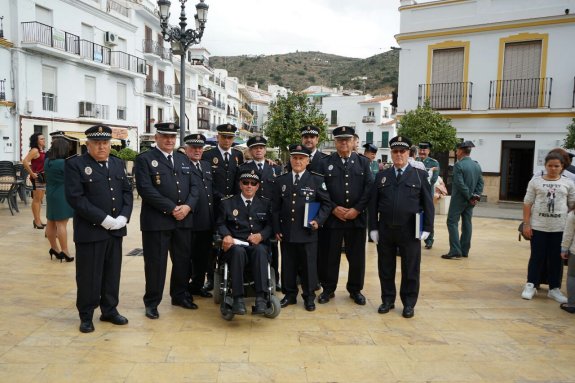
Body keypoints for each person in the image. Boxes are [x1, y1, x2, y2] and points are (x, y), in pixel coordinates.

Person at [65, 125, 133, 333]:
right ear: (88, 145)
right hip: (91, 231)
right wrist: (104, 219)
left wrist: (123, 216)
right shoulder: (76, 165)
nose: (102, 147)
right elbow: (76, 198)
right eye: (97, 143)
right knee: (89, 275)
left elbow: (127, 191)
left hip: (115, 230)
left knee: (112, 273)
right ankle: (86, 315)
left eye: (105, 143)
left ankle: (109, 310)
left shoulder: (116, 162)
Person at [135, 123, 200, 320]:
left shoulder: (182, 159)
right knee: (156, 263)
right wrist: (172, 208)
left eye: (173, 136)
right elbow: (145, 189)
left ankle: (179, 296)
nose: (170, 140)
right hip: (157, 221)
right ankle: (152, 302)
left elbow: (195, 187)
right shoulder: (145, 159)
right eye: (165, 136)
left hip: (183, 220)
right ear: (157, 137)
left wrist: (188, 206)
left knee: (182, 261)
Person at [368, 135, 434, 318]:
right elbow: (373, 204)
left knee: (410, 268)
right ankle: (387, 300)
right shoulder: (382, 176)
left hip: (410, 229)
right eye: (395, 151)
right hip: (386, 229)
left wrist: (427, 228)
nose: (398, 155)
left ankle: (409, 303)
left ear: (408, 153)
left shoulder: (419, 176)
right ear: (391, 153)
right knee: (385, 267)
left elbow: (428, 204)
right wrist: (372, 228)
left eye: (402, 151)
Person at [318, 126, 374, 305]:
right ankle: (328, 288)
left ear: (353, 141)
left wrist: (357, 209)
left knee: (356, 257)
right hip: (333, 219)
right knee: (330, 256)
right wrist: (333, 208)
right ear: (335, 142)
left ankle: (355, 289)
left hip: (356, 219)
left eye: (347, 139)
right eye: (340, 139)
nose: (344, 142)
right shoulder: (325, 162)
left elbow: (369, 188)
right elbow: (320, 189)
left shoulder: (363, 162)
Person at [272, 144, 332, 311]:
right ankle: (289, 295)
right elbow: (275, 208)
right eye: (295, 158)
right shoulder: (281, 180)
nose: (297, 161)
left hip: (307, 232)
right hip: (287, 232)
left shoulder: (316, 180)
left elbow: (327, 204)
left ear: (308, 161)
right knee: (288, 265)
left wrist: (318, 221)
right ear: (290, 159)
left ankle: (308, 296)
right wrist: (277, 229)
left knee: (308, 266)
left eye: (301, 158)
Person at [216, 169, 273, 315]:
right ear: (240, 185)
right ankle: (238, 299)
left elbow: (270, 226)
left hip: (257, 245)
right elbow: (220, 223)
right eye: (245, 183)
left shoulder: (265, 203)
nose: (249, 186)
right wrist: (227, 235)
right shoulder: (228, 203)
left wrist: (261, 235)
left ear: (257, 186)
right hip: (235, 244)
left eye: (253, 183)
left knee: (260, 250)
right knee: (237, 251)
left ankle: (261, 298)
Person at [521, 151, 575, 303]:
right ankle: (531, 284)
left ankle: (554, 288)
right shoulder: (536, 182)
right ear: (545, 166)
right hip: (538, 227)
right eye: (549, 165)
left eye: (556, 166)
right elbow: (527, 202)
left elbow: (572, 205)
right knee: (536, 257)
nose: (553, 168)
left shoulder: (568, 183)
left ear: (562, 167)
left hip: (560, 228)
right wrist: (527, 223)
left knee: (556, 259)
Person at [201, 123, 244, 291]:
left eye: (230, 137)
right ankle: (210, 278)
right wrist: (222, 197)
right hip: (213, 206)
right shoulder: (208, 155)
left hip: (232, 208)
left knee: (231, 240)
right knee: (212, 244)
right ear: (218, 137)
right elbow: (206, 181)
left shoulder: (238, 155)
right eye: (224, 136)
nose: (227, 140)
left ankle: (230, 274)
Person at [238, 136, 282, 288]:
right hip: (251, 213)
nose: (258, 150)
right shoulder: (243, 168)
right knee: (249, 244)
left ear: (265, 150)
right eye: (255, 148)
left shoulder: (275, 168)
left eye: (261, 147)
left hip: (270, 214)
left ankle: (275, 278)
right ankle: (248, 277)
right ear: (250, 151)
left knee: (273, 247)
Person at [183, 133, 214, 299]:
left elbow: (210, 191)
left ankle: (197, 285)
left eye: (200, 148)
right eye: (193, 147)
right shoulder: (182, 166)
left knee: (203, 257)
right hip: (190, 220)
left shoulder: (206, 166)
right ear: (186, 148)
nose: (197, 150)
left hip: (207, 221)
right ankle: (183, 288)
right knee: (187, 257)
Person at [441, 141, 484, 260]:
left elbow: (460, 184)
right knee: (467, 223)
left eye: (457, 150)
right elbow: (481, 183)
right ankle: (464, 250)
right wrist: (475, 196)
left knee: (451, 222)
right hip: (470, 201)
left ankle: (455, 250)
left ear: (461, 151)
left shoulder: (458, 165)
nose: (455, 152)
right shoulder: (476, 165)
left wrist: (470, 196)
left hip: (459, 199)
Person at [44, 138, 74, 263]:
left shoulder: (47, 161)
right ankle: (65, 251)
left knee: (50, 222)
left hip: (50, 193)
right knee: (61, 224)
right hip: (62, 194)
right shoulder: (64, 163)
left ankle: (54, 248)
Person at [417, 141, 440, 249]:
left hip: (427, 193)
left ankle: (429, 240)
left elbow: (433, 179)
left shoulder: (434, 163)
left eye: (424, 150)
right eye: (420, 150)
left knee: (428, 215)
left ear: (428, 151)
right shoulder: (414, 161)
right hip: (415, 193)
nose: (422, 152)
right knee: (415, 215)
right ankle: (416, 236)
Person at [23, 132, 47, 229]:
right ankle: (36, 221)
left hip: (43, 178)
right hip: (37, 178)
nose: (44, 140)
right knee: (36, 200)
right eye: (41, 139)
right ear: (36, 141)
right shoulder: (34, 150)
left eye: (44, 138)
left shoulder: (42, 150)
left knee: (39, 200)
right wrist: (32, 173)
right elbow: (24, 161)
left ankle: (38, 219)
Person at [560, 211, 575, 313]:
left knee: (572, 276)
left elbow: (568, 234)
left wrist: (564, 249)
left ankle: (572, 304)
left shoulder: (573, 215)